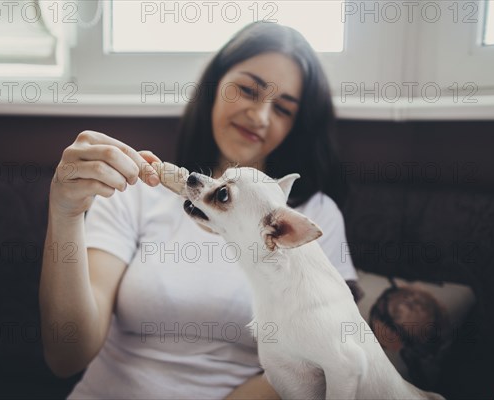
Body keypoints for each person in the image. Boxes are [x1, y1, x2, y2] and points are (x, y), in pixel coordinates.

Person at [40, 21, 363, 399]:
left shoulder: (310, 219)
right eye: (247, 90)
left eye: (283, 110)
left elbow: (324, 367)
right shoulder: (136, 192)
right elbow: (66, 355)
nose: (260, 116)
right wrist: (65, 214)